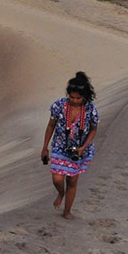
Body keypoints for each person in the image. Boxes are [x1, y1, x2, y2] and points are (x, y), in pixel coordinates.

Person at [40, 72, 99, 219]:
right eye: (72, 97)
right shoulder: (58, 105)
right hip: (60, 146)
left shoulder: (91, 110)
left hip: (80, 150)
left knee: (72, 180)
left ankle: (67, 211)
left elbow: (93, 129)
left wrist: (83, 147)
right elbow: (51, 125)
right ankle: (61, 193)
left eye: (78, 98)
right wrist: (45, 147)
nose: (74, 100)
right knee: (57, 179)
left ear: (84, 96)